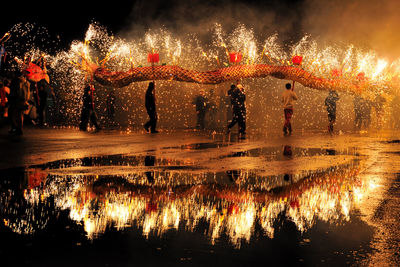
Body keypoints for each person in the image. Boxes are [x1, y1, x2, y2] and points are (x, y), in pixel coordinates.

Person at [8, 71, 30, 135]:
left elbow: (16, 91)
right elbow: (27, 92)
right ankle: (18, 128)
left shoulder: (16, 81)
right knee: (20, 115)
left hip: (18, 99)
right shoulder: (26, 82)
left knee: (13, 114)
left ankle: (16, 128)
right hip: (23, 100)